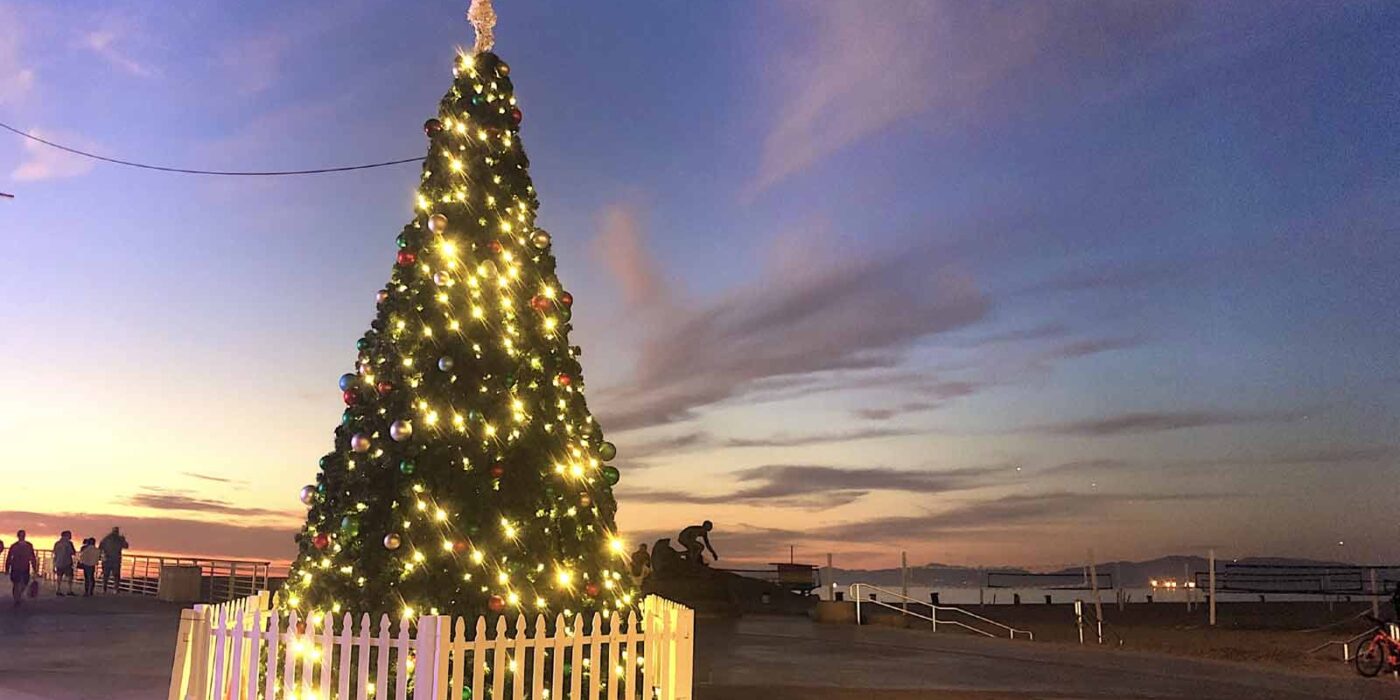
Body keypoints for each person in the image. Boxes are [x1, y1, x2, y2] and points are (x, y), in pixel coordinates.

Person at [5, 530, 38, 608]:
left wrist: (34, 567)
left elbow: (32, 557)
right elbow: (9, 557)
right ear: (18, 536)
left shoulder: (28, 545)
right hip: (16, 567)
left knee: (24, 583)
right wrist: (7, 568)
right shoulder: (14, 546)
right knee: (16, 583)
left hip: (24, 567)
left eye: (23, 535)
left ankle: (18, 596)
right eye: (21, 535)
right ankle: (17, 599)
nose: (22, 536)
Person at [99, 527, 129, 593]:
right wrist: (124, 540)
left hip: (108, 560)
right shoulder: (119, 539)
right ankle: (115, 589)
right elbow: (126, 546)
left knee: (106, 575)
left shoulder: (106, 538)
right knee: (116, 575)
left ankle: (105, 588)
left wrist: (101, 556)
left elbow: (100, 547)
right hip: (115, 560)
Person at [52, 531, 78, 596]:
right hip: (67, 562)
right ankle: (69, 590)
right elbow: (72, 552)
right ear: (67, 536)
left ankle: (58, 589)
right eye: (69, 535)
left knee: (59, 576)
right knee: (70, 576)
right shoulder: (69, 543)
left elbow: (54, 552)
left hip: (58, 561)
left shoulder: (57, 543)